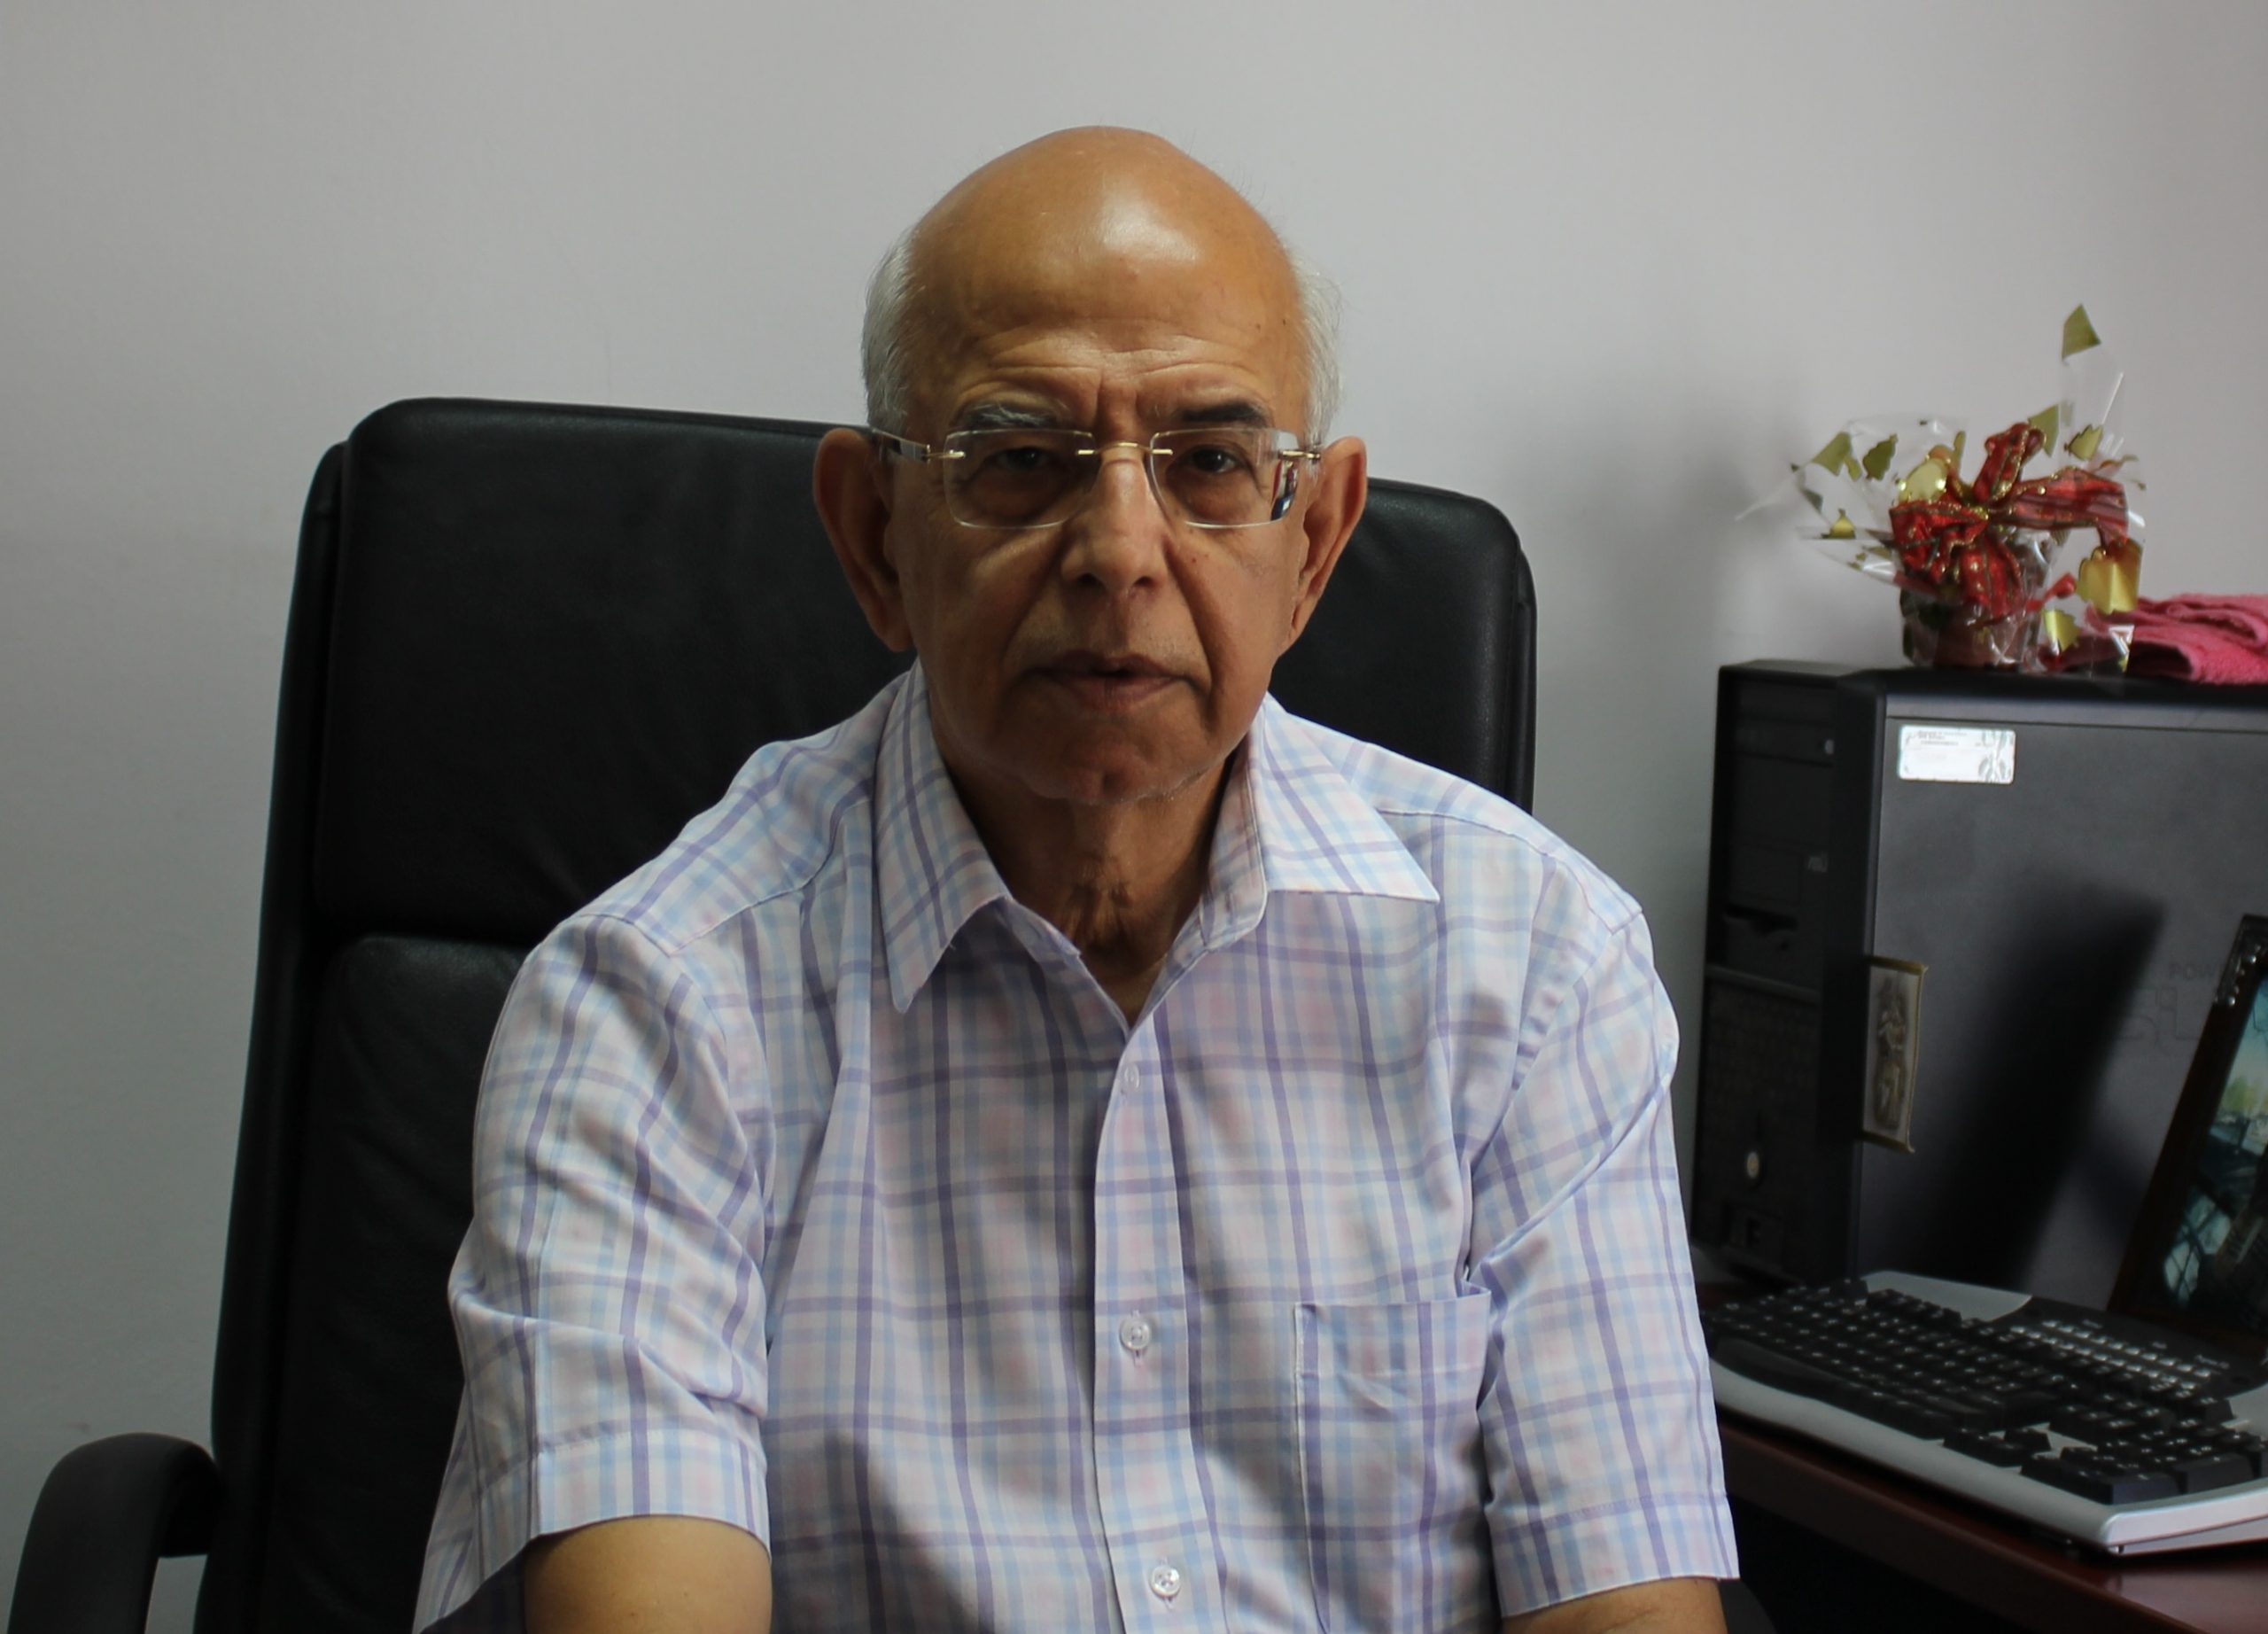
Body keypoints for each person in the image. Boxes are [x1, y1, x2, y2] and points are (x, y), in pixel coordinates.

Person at [415, 127, 1736, 1634]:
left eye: (1212, 464)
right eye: (1022, 462)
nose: (1120, 551)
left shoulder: (1539, 962)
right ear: (873, 537)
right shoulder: (655, 1007)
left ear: (1314, 543)